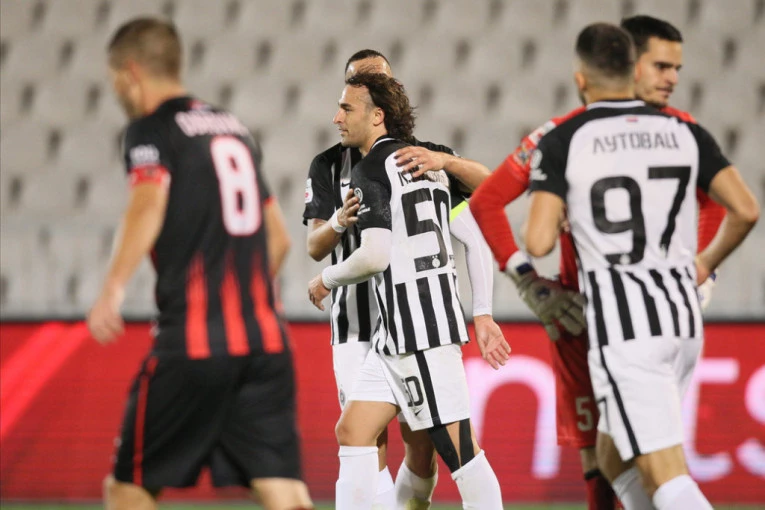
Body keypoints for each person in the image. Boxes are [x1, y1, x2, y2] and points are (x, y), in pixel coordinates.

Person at [470, 14, 727, 510]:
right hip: (582, 314)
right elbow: (487, 202)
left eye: (677, 68)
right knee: (605, 460)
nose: (672, 79)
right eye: (661, 66)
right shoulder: (570, 134)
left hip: (637, 318)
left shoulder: (672, 130)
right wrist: (529, 284)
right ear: (630, 64)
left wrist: (703, 269)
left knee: (649, 462)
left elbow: (718, 203)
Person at [524, 22, 759, 510]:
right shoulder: (685, 131)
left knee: (666, 474)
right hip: (683, 320)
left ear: (582, 79)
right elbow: (745, 210)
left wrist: (566, 205)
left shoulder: (566, 139)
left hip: (626, 328)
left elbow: (539, 241)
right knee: (614, 457)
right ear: (633, 69)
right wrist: (704, 263)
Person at [86, 17, 311, 510]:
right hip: (265, 342)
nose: (115, 90)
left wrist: (112, 288)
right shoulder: (233, 127)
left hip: (195, 343)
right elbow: (278, 239)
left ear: (130, 72)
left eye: (114, 79)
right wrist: (242, 298)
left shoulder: (151, 129)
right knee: (284, 492)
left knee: (128, 486)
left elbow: (148, 202)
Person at [303, 49, 506, 509]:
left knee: (460, 453)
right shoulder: (423, 164)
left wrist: (326, 279)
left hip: (420, 332)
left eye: (347, 107)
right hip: (388, 335)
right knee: (353, 431)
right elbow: (475, 233)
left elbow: (376, 254)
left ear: (378, 112)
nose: (337, 117)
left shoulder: (376, 167)